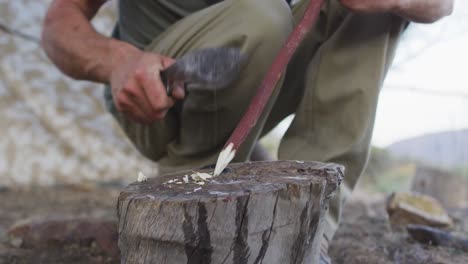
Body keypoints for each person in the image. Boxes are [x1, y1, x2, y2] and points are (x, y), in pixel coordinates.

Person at [42, 0, 453, 263]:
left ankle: (308, 232)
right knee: (260, 15)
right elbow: (60, 21)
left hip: (265, 76)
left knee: (373, 9)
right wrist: (116, 61)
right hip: (158, 98)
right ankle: (191, 209)